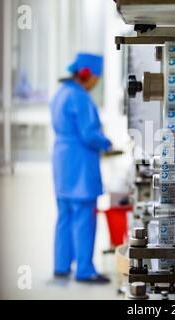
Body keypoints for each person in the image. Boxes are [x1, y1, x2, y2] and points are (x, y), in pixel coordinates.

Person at [50, 53, 112, 284]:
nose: (97, 81)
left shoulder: (60, 94)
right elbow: (89, 134)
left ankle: (61, 266)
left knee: (65, 215)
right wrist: (107, 143)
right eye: (97, 77)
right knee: (84, 216)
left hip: (62, 161)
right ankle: (85, 271)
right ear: (87, 74)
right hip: (80, 162)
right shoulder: (80, 97)